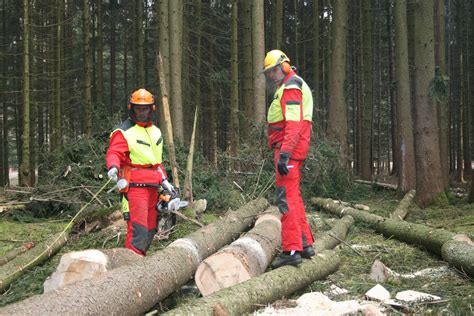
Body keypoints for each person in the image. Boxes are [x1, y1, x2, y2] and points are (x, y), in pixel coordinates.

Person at [105, 88, 176, 256]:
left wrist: (165, 180)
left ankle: (140, 264)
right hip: (135, 187)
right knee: (139, 230)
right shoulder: (123, 131)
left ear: (151, 109)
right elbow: (114, 152)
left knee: (151, 229)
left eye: (145, 108)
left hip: (153, 185)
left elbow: (156, 162)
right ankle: (130, 266)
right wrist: (113, 167)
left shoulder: (156, 131)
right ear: (131, 108)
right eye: (138, 108)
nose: (142, 112)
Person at [263, 50, 315, 269]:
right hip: (290, 149)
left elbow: (293, 124)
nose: (272, 75)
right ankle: (304, 243)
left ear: (284, 66)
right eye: (269, 73)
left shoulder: (291, 86)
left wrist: (285, 153)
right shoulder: (290, 85)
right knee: (294, 196)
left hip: (289, 149)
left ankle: (291, 250)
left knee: (286, 198)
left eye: (275, 70)